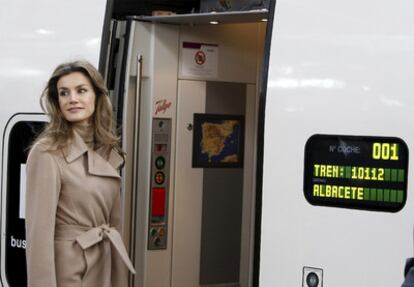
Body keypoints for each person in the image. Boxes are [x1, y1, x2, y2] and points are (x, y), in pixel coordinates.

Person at [25, 60, 135, 287]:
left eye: (81, 90)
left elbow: (114, 223)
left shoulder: (108, 149)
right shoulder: (48, 152)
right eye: (64, 93)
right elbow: (38, 235)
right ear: (57, 101)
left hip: (105, 263)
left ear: (97, 96)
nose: (72, 99)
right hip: (70, 269)